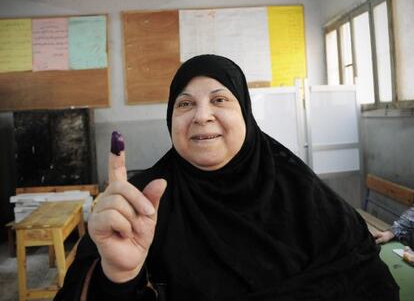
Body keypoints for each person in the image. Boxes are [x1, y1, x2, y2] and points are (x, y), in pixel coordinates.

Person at [55, 54, 399, 301]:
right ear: (170, 119)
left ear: (245, 115)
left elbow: (370, 283)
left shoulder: (305, 193)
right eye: (185, 104)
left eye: (219, 99)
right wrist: (118, 278)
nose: (202, 116)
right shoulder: (139, 203)